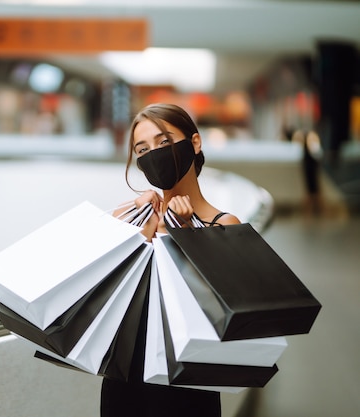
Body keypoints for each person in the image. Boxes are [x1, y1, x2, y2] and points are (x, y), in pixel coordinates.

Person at [103, 103, 241, 417]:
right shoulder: (128, 218)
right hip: (126, 377)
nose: (153, 153)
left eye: (164, 142)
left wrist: (188, 233)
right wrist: (133, 229)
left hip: (188, 378)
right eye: (142, 148)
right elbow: (107, 296)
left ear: (195, 142)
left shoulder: (224, 224)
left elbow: (222, 311)